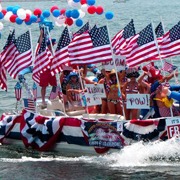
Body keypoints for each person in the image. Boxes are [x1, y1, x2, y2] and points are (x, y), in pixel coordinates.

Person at [38, 29, 57, 108]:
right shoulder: (44, 50)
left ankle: (52, 98)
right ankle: (43, 100)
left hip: (51, 70)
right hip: (45, 70)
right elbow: (40, 43)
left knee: (55, 85)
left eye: (53, 43)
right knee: (44, 86)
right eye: (52, 43)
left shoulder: (53, 51)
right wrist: (41, 34)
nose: (53, 45)